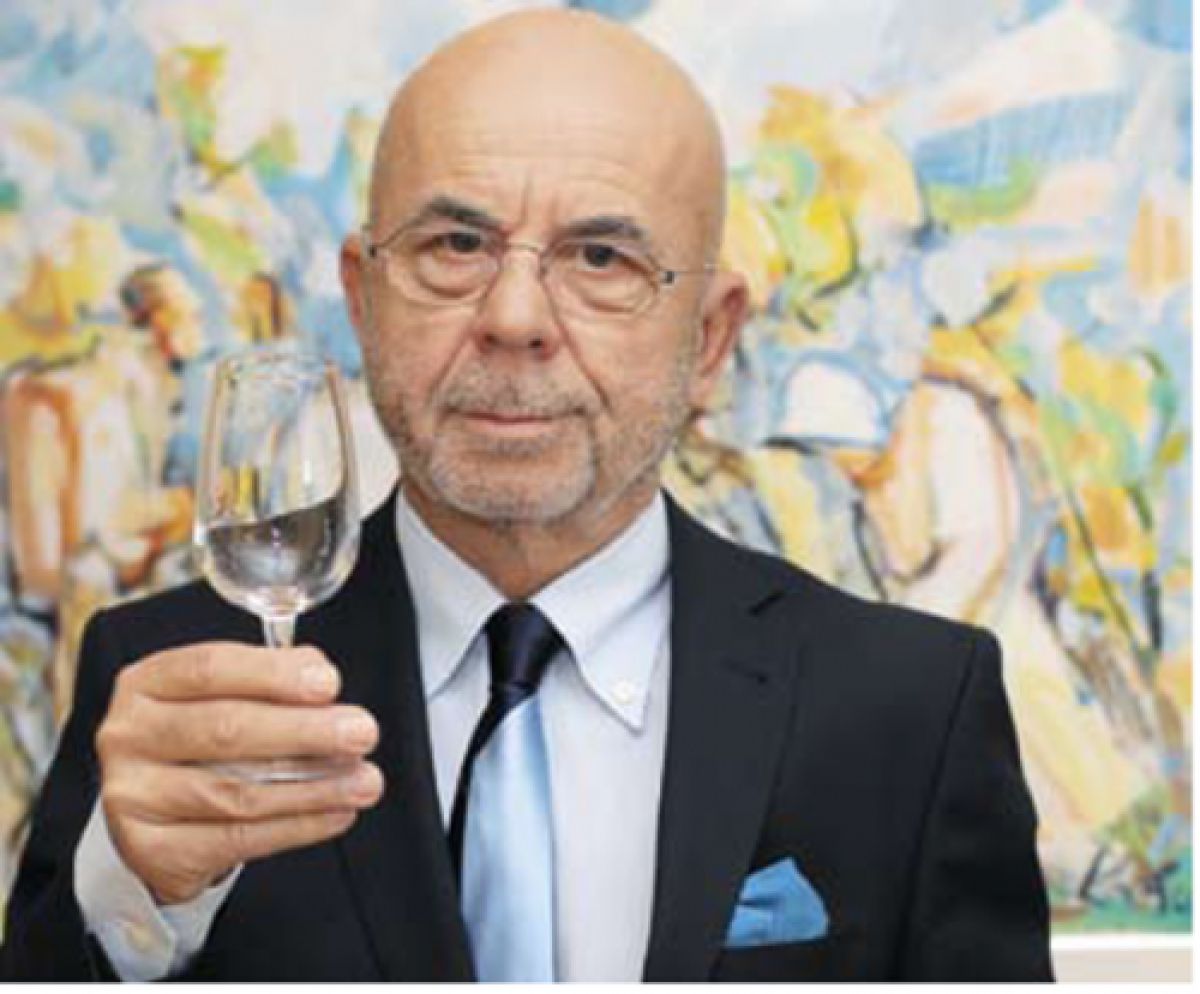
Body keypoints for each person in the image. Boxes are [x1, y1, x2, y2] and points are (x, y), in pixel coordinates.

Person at [0, 9, 1052, 981]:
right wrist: (131, 892)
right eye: (456, 246)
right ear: (363, 300)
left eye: (601, 256)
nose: (514, 318)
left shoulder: (912, 707)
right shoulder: (170, 686)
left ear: (709, 338)